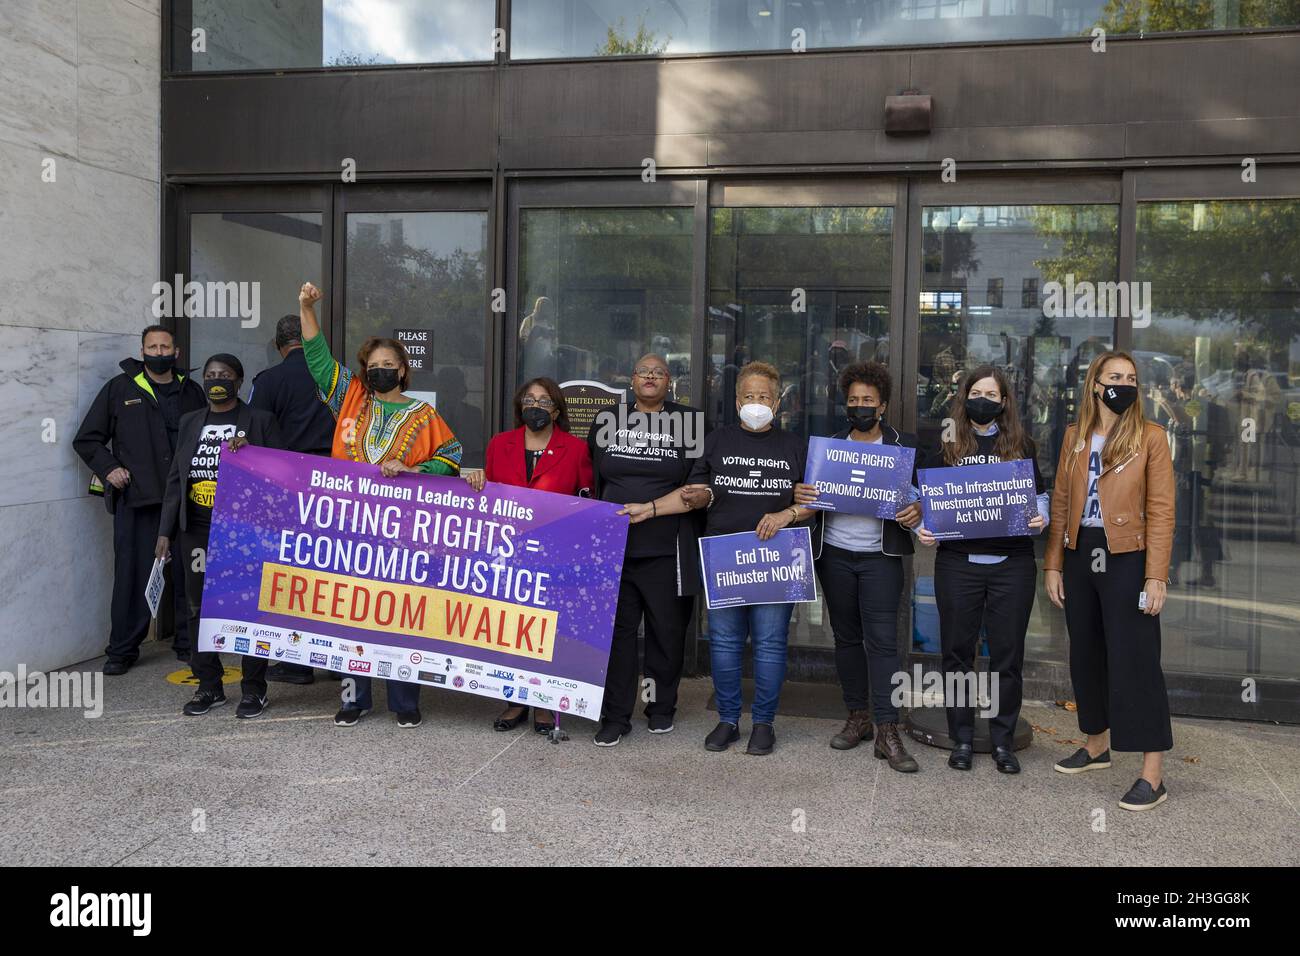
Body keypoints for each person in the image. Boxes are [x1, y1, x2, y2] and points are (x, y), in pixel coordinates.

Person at [298, 282, 463, 729]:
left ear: (404, 371)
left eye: (389, 365)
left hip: (402, 532)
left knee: (399, 615)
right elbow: (315, 358)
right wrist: (306, 307)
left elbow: (452, 457)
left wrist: (412, 472)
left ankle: (405, 702)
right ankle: (354, 699)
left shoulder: (423, 416)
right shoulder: (350, 399)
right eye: (374, 366)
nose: (381, 371)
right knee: (350, 613)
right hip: (349, 527)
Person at [1045, 351, 1176, 812]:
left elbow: (1162, 511)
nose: (1124, 383)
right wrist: (1054, 564)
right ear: (1095, 385)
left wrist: (1155, 575)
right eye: (1115, 376)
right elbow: (1061, 503)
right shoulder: (1075, 437)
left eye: (1132, 378)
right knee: (1086, 653)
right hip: (1082, 553)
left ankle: (1152, 774)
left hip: (1127, 556)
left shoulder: (1151, 438)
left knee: (1136, 659)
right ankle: (1096, 744)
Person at [915, 365, 1049, 775]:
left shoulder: (1021, 445)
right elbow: (922, 496)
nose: (984, 400)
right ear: (963, 397)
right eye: (976, 392)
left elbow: (1039, 495)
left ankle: (1003, 740)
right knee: (957, 655)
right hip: (958, 565)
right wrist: (923, 524)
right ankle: (961, 738)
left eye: (992, 395)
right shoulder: (947, 444)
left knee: (1007, 657)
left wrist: (1039, 516)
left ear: (1004, 402)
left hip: (1012, 565)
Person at [794, 362, 923, 772]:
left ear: (882, 406)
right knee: (846, 638)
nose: (860, 406)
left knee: (883, 642)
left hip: (880, 558)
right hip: (834, 554)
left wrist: (917, 509)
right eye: (853, 401)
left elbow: (924, 501)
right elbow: (809, 499)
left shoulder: (903, 448)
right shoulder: (829, 447)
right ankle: (858, 717)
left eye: (868, 400)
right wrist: (802, 492)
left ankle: (888, 728)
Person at [683, 361, 812, 756]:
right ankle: (727, 720)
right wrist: (698, 495)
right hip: (725, 555)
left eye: (765, 396)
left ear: (778, 402)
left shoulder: (795, 446)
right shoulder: (716, 440)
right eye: (750, 396)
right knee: (724, 642)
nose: (757, 402)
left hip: (776, 559)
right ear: (737, 400)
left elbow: (811, 501)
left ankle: (763, 724)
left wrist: (785, 514)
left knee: (771, 642)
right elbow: (697, 487)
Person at [463, 378, 593, 736]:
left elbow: (585, 499)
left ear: (556, 409)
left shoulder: (576, 448)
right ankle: (515, 699)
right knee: (511, 626)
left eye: (544, 400)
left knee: (549, 629)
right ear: (520, 405)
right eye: (529, 399)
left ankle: (545, 703)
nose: (536, 406)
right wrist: (478, 481)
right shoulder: (499, 444)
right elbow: (490, 492)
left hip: (555, 553)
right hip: (510, 552)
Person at [587, 354, 704, 747]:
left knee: (666, 633)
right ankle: (616, 715)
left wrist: (653, 508)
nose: (650, 378)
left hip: (667, 546)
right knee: (617, 634)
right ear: (631, 379)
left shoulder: (688, 423)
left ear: (669, 381)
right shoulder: (607, 420)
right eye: (643, 372)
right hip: (615, 546)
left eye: (658, 373)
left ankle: (660, 708)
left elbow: (695, 487)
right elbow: (596, 475)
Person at [156, 355, 282, 717]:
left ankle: (254, 689)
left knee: (248, 609)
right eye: (210, 375)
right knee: (198, 609)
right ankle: (208, 685)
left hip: (244, 533)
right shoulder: (190, 421)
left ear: (238, 382)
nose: (216, 380)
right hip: (195, 531)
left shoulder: (260, 421)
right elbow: (176, 479)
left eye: (224, 375)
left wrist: (252, 455)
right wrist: (165, 531)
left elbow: (282, 474)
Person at [75, 325, 206, 674]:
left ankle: (187, 644)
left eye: (165, 347)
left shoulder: (192, 391)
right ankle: (121, 651)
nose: (159, 352)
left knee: (187, 576)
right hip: (139, 501)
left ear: (176, 352)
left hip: (186, 502)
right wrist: (110, 468)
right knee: (132, 577)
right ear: (142, 350)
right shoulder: (120, 389)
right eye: (153, 346)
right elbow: (86, 440)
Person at [249, 313, 338, 686]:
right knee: (331, 574)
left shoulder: (268, 381)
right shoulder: (337, 377)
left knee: (294, 576)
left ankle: (298, 663)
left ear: (277, 344)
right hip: (334, 485)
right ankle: (337, 661)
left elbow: (253, 433)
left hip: (287, 485)